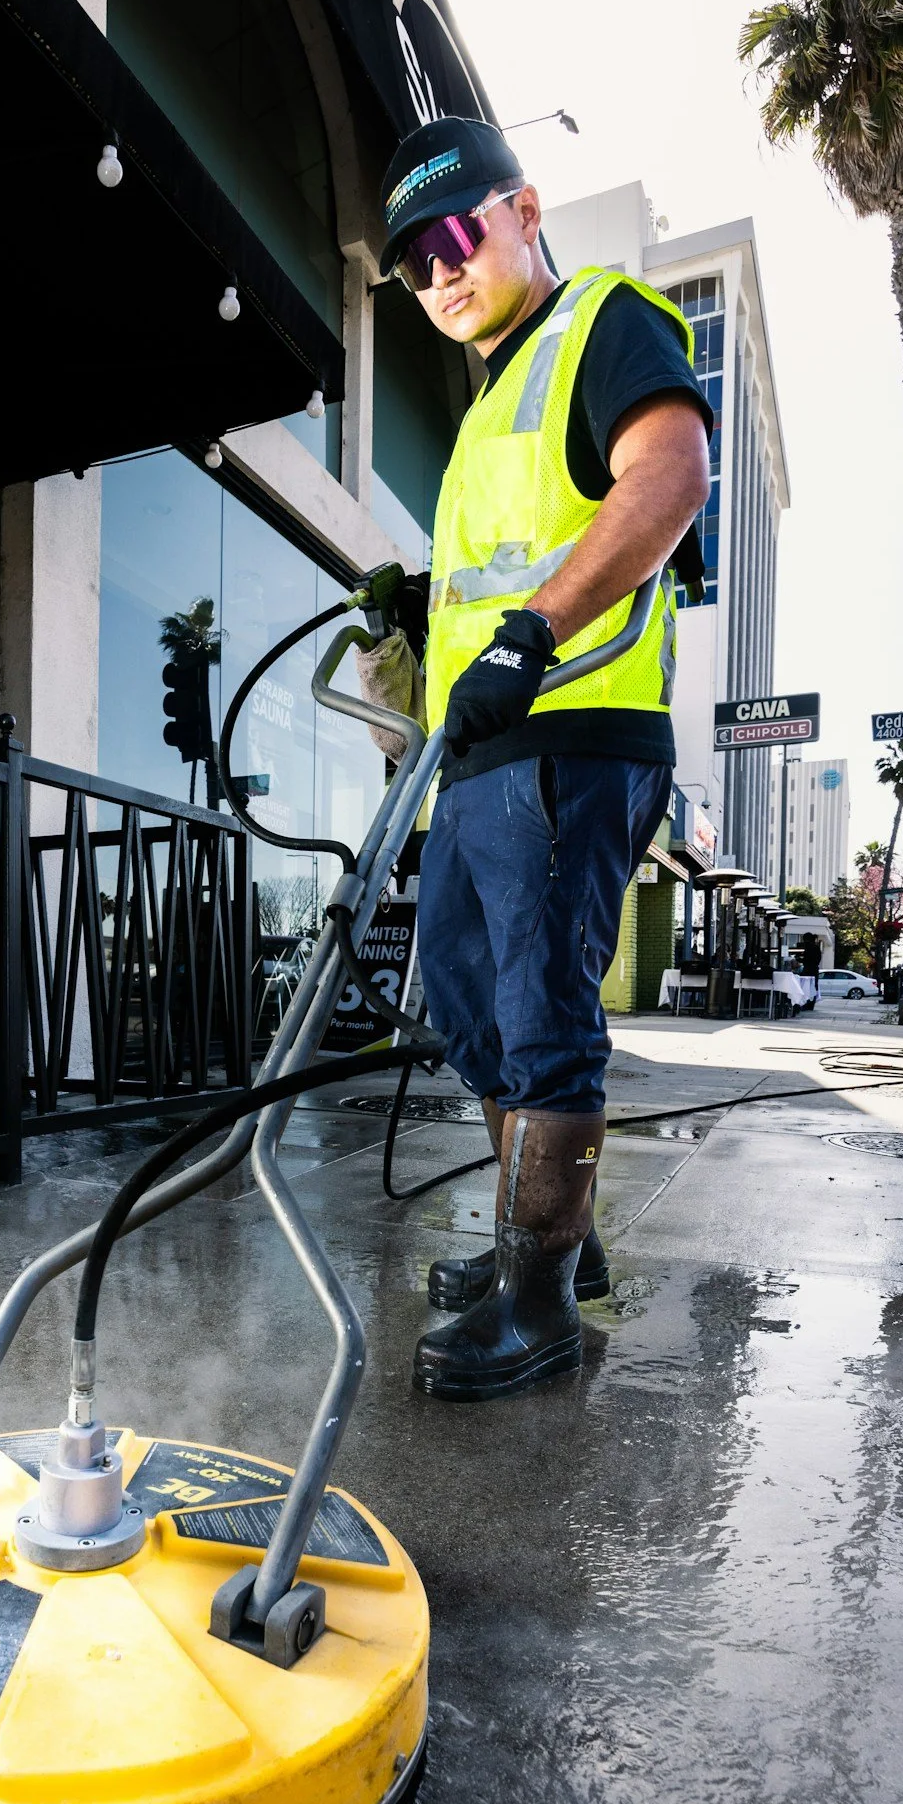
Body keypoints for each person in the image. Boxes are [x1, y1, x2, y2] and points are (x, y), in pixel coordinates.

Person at [357, 116, 713, 1402]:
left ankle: (537, 1304)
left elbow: (668, 476)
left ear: (522, 209)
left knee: (540, 1011)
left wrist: (529, 633)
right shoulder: (490, 397)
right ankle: (549, 1228)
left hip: (570, 730)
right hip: (482, 756)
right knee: (459, 991)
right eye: (413, 263)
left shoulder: (598, 323)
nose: (440, 272)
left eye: (456, 234)